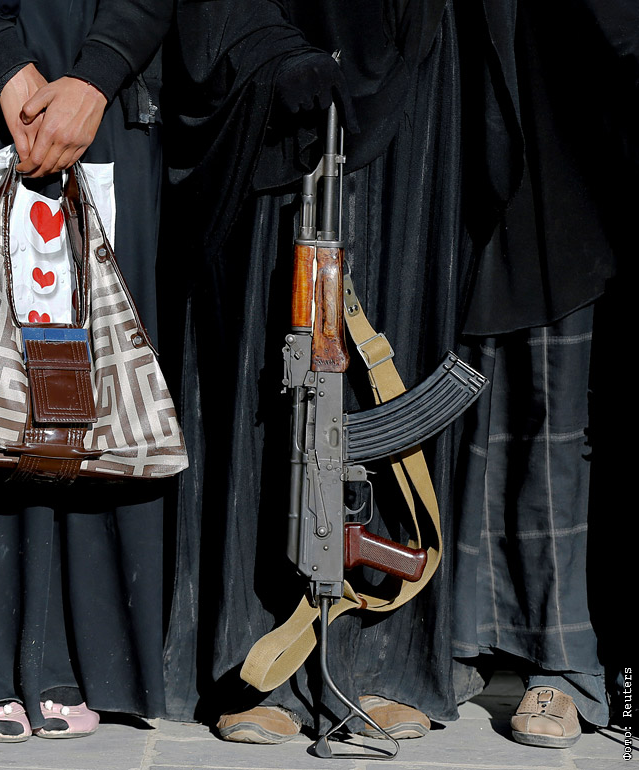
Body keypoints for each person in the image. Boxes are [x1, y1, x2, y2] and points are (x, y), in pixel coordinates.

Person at [161, 0, 477, 745]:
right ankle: (256, 662)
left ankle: (381, 664)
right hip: (279, 96)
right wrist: (265, 48)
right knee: (277, 389)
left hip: (409, 93)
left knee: (386, 369)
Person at [0, 0, 172, 742]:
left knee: (88, 374)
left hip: (109, 97)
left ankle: (77, 661)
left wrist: (100, 73)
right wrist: (1, 60)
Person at [450, 0, 635, 748]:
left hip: (583, 151)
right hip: (477, 138)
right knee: (478, 406)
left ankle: (565, 660)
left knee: (559, 420)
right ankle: (463, 634)